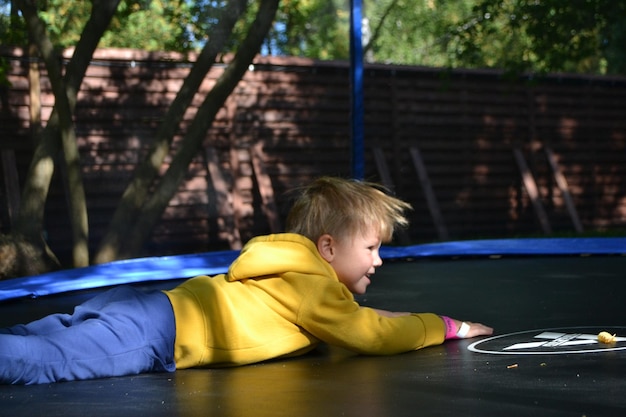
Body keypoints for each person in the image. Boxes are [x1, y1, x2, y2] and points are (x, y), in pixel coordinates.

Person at [0, 176, 493, 385]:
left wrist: (396, 316)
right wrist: (443, 326)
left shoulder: (293, 271)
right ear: (328, 248)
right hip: (157, 335)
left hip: (149, 306)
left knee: (47, 332)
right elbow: (368, 336)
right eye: (371, 248)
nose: (379, 261)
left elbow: (352, 321)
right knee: (51, 361)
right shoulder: (315, 288)